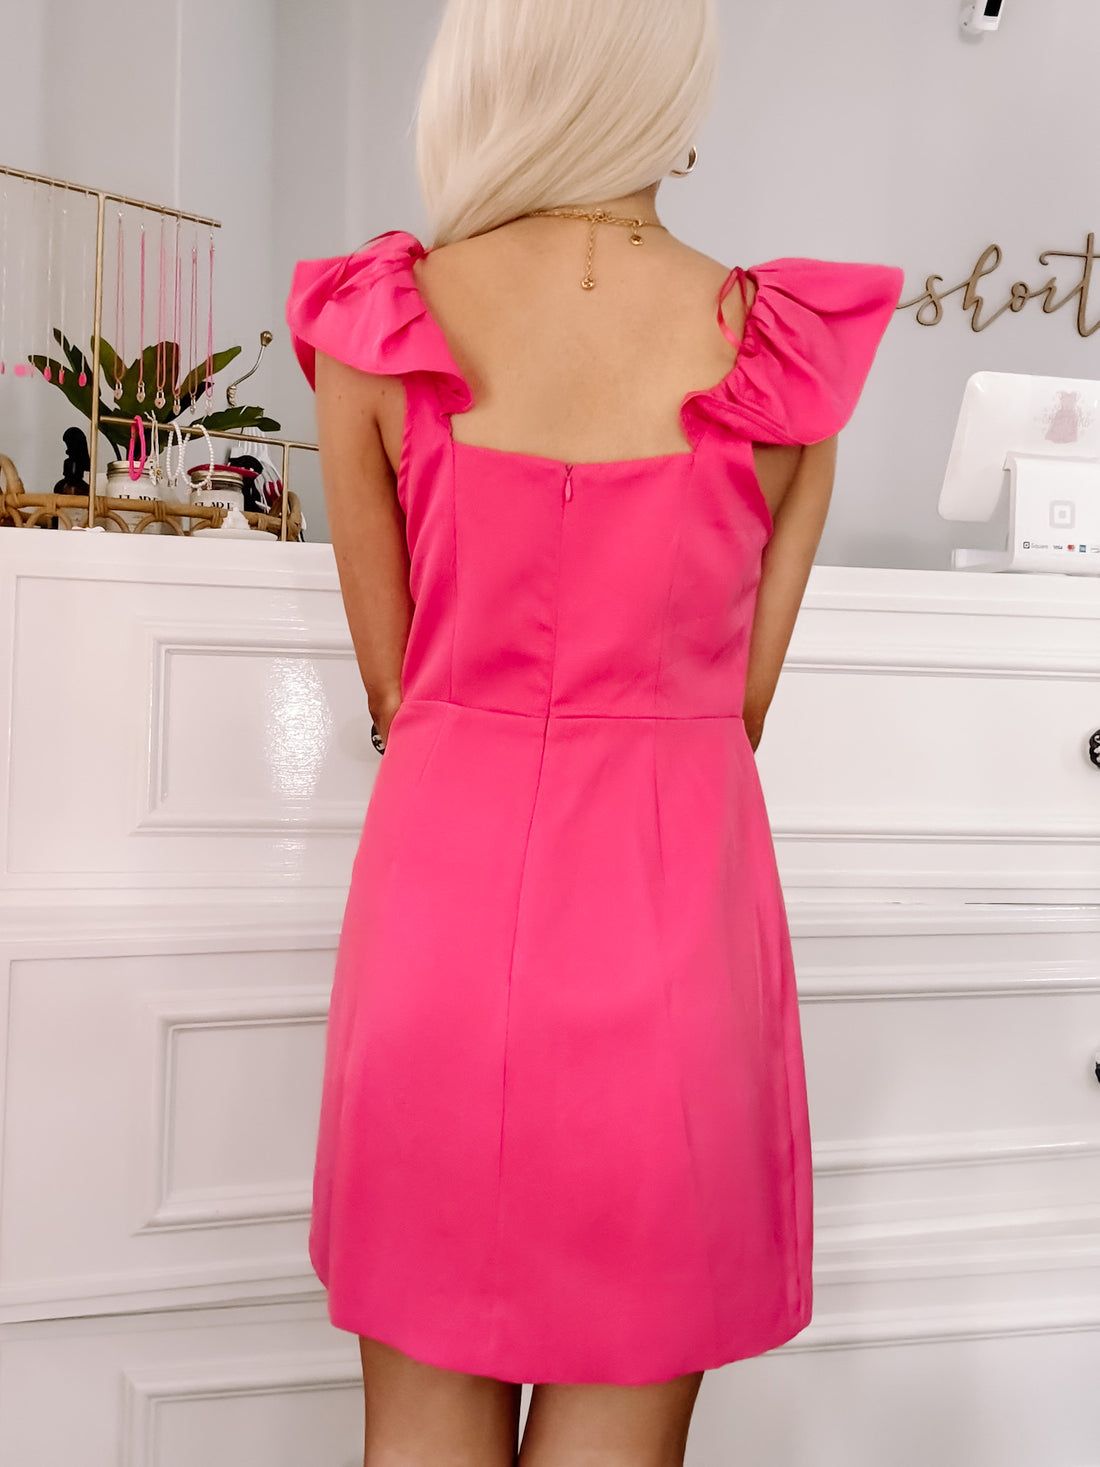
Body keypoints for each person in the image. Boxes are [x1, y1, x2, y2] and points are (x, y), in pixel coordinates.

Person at [285, 1, 904, 1462]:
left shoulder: (384, 327)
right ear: (666, 82)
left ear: (488, 73)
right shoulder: (783, 358)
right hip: (667, 921)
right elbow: (728, 708)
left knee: (420, 1427)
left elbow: (401, 688)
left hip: (440, 910)